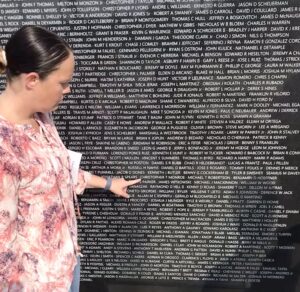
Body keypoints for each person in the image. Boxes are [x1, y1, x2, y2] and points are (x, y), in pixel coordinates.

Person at [0, 25, 141, 291]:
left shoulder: (41, 118)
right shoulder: (4, 147)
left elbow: (54, 171)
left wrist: (108, 183)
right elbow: (3, 249)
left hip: (66, 265)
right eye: (63, 83)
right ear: (32, 80)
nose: (68, 91)